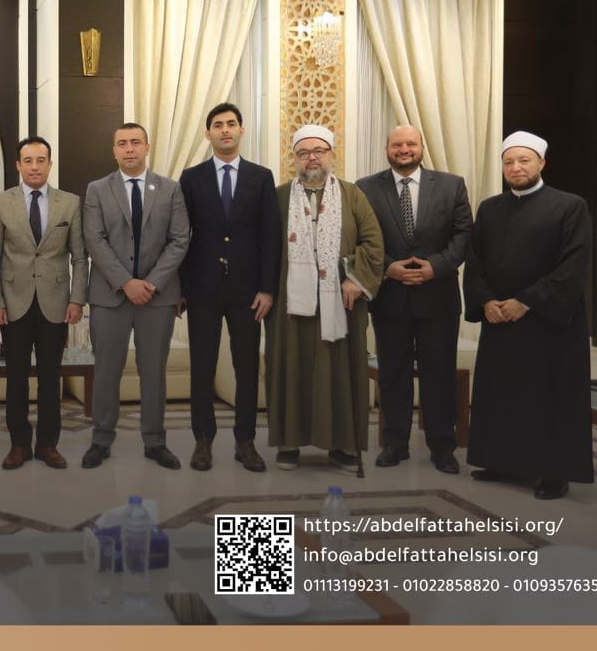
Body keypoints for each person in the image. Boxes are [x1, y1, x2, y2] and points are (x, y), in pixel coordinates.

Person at [463, 131, 593, 500]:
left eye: (524, 160)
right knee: (502, 394)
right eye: (509, 162)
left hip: (549, 323)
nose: (516, 168)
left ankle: (554, 472)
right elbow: (474, 261)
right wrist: (486, 301)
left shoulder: (570, 206)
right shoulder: (489, 208)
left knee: (549, 397)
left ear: (541, 163)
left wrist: (527, 301)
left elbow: (573, 265)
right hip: (500, 319)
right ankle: (500, 461)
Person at [264, 125, 383, 471]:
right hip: (290, 303)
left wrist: (356, 279)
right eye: (303, 153)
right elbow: (262, 247)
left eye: (319, 151)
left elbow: (374, 243)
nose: (312, 158)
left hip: (341, 303)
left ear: (331, 154)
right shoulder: (278, 197)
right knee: (290, 369)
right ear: (294, 158)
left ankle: (343, 446)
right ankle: (289, 443)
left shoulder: (352, 195)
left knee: (341, 373)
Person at [357, 125, 472, 474]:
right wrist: (388, 268)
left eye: (410, 144)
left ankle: (442, 447)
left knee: (439, 373)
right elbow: (360, 238)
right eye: (397, 145)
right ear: (387, 149)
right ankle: (395, 444)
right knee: (393, 373)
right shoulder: (366, 188)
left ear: (421, 147)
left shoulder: (451, 185)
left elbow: (464, 234)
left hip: (438, 297)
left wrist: (436, 267)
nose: (404, 149)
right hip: (390, 297)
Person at [178, 103, 280, 474]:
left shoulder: (261, 177)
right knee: (202, 368)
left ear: (241, 131)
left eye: (231, 124)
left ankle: (245, 442)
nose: (225, 130)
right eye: (218, 125)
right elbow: (180, 236)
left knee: (247, 368)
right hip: (201, 289)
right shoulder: (191, 178)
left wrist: (267, 289)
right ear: (207, 134)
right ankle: (203, 441)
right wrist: (181, 288)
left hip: (248, 292)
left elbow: (271, 237)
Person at [80, 123, 190, 470]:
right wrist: (126, 282)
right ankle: (101, 440)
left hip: (157, 298)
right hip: (110, 296)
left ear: (147, 147)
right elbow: (94, 240)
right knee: (106, 371)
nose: (129, 149)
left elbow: (180, 240)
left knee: (153, 371)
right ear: (114, 150)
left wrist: (151, 283)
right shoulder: (97, 190)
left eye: (135, 142)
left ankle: (155, 442)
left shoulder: (170, 189)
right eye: (122, 143)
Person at [0, 136, 87, 470]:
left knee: (49, 378)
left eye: (41, 160)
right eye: (28, 161)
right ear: (18, 165)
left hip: (55, 304)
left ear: (50, 164)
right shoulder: (1, 202)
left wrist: (77, 299)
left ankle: (47, 444)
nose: (34, 167)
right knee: (15, 378)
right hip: (13, 304)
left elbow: (79, 257)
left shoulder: (69, 203)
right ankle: (18, 444)